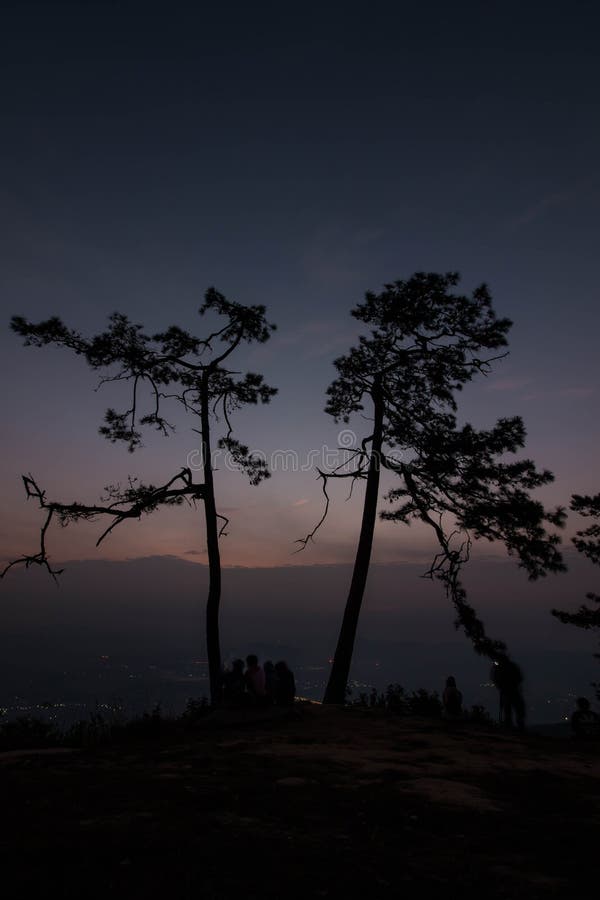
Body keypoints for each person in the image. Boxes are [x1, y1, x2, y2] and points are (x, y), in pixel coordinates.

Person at [491, 655, 526, 731]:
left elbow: (495, 679)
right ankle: (514, 726)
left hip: (509, 691)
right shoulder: (509, 667)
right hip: (510, 691)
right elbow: (519, 677)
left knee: (510, 710)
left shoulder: (500, 668)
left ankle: (511, 726)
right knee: (513, 710)